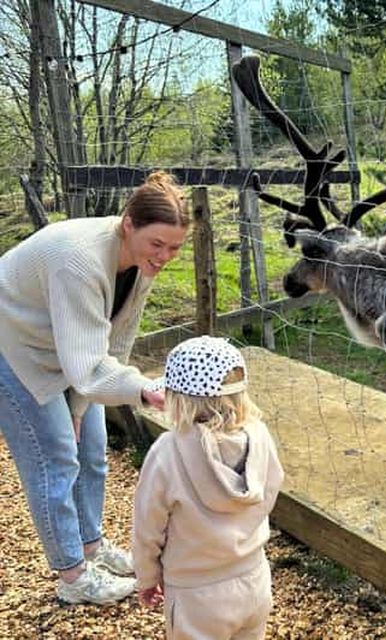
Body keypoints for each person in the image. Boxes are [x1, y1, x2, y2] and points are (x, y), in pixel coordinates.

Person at [0, 171, 190, 604]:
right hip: (11, 344)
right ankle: (74, 578)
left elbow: (116, 341)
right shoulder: (81, 261)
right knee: (55, 459)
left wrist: (82, 405)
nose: (164, 256)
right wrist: (143, 390)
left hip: (60, 343)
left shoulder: (141, 264)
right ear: (128, 225)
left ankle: (91, 545)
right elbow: (86, 364)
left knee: (91, 451)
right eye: (157, 244)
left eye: (174, 248)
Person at [132, 335, 284, 640]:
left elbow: (148, 526)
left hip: (194, 593)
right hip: (253, 579)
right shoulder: (261, 436)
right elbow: (268, 493)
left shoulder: (168, 451)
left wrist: (146, 577)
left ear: (176, 397)